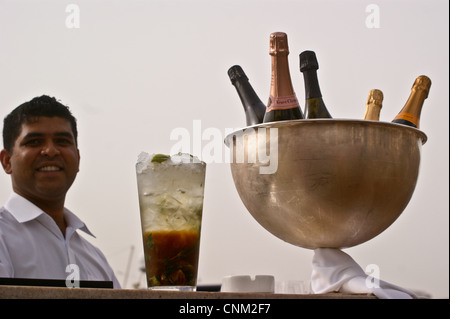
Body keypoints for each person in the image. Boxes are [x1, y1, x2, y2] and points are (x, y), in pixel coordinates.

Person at [0, 95, 120, 288]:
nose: (50, 151)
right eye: (34, 142)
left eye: (62, 141)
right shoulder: (3, 238)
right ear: (7, 161)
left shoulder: (96, 260)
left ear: (78, 159)